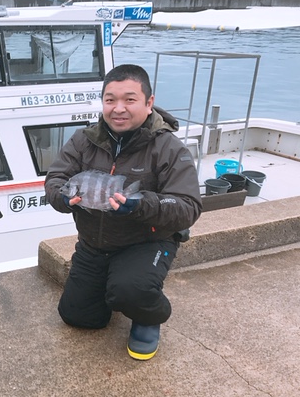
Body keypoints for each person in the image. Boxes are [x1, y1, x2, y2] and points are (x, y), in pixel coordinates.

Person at [44, 64, 202, 360]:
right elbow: (55, 180)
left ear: (149, 103)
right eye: (110, 100)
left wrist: (141, 205)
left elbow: (188, 206)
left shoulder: (168, 148)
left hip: (147, 242)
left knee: (130, 290)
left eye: (129, 99)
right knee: (77, 315)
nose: (119, 108)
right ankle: (112, 287)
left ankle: (149, 313)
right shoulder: (83, 140)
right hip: (94, 245)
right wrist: (62, 199)